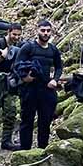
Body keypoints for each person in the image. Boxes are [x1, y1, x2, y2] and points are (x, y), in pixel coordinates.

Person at [15, 20, 63, 150]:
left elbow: (59, 67)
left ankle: (42, 150)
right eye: (43, 30)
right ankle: (25, 151)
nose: (45, 33)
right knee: (27, 121)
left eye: (48, 30)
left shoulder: (53, 50)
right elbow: (17, 65)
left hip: (47, 89)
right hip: (29, 90)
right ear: (37, 30)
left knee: (45, 121)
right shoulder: (28, 47)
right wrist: (25, 77)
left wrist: (55, 79)